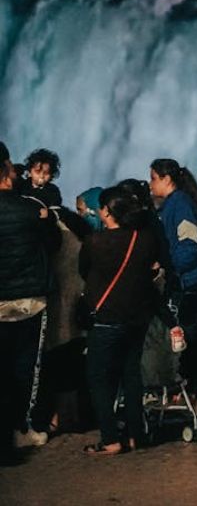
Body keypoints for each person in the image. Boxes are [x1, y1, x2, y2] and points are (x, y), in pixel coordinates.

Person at [79, 186, 164, 455]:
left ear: (106, 212)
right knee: (131, 375)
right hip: (137, 317)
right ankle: (135, 435)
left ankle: (111, 439)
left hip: (106, 319)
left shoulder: (94, 242)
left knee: (99, 378)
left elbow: (84, 271)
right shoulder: (146, 239)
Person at [0, 157, 62, 458]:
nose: (18, 172)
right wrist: (48, 219)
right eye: (12, 168)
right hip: (28, 302)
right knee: (26, 368)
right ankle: (20, 431)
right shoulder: (29, 210)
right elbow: (53, 245)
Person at [150, 159, 197, 416]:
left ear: (166, 179)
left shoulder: (178, 204)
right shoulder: (177, 204)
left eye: (153, 178)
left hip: (186, 283)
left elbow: (190, 244)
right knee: (192, 338)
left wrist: (168, 267)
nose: (150, 184)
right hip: (187, 280)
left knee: (189, 339)